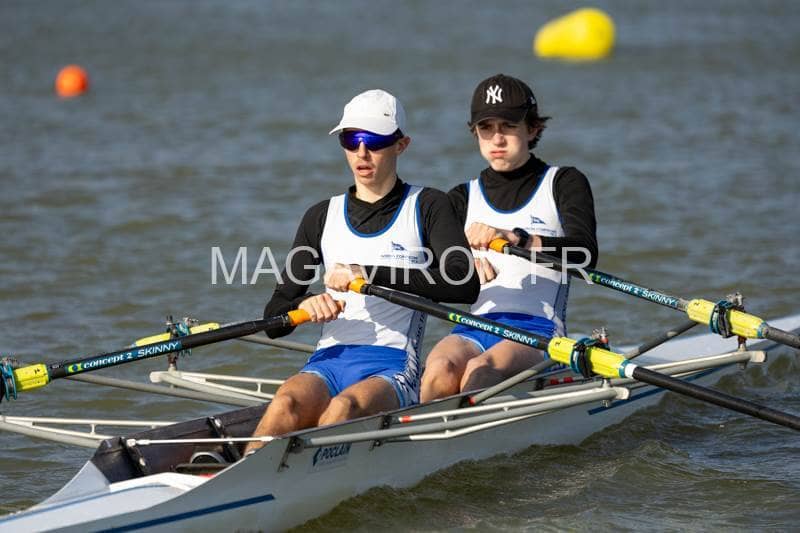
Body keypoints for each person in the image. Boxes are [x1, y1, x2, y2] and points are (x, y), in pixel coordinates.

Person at [245, 89, 479, 453]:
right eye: (351, 139)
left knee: (343, 408)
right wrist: (304, 305)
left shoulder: (428, 206)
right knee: (285, 402)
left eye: (374, 140)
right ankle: (245, 472)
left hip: (392, 367)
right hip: (328, 362)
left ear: (401, 145)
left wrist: (369, 273)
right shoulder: (320, 216)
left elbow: (464, 284)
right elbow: (273, 319)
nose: (361, 152)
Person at [420, 73, 599, 402]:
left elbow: (585, 256)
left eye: (508, 126)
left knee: (480, 369)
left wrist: (518, 239)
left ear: (532, 129)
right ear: (475, 133)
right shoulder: (460, 198)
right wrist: (460, 263)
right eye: (486, 128)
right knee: (440, 369)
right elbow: (428, 267)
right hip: (473, 326)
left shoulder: (563, 183)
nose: (497, 138)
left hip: (537, 330)